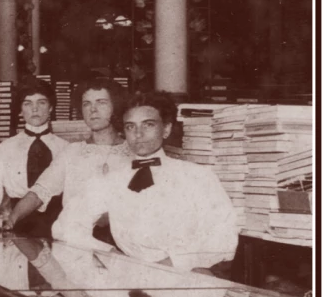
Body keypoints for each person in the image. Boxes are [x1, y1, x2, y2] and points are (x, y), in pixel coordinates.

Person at [54, 91, 238, 271]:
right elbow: (65, 227)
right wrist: (111, 254)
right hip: (131, 281)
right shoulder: (110, 181)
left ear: (166, 129)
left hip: (185, 278)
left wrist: (173, 263)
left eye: (148, 125)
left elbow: (224, 237)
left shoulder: (197, 176)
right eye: (130, 126)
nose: (138, 134)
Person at [0, 80, 129, 241]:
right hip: (75, 241)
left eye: (101, 102)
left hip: (122, 241)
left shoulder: (133, 152)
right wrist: (12, 218)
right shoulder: (71, 152)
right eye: (87, 104)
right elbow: (40, 192)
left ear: (115, 106)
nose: (93, 109)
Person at [0, 78, 69, 237]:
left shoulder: (65, 148)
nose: (35, 109)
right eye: (28, 103)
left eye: (41, 103)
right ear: (20, 109)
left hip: (58, 220)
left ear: (51, 107)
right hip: (17, 222)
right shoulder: (6, 147)